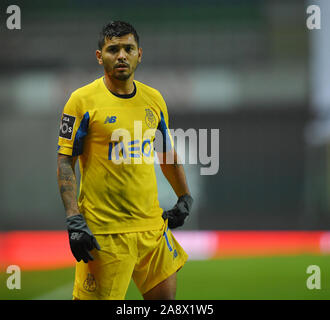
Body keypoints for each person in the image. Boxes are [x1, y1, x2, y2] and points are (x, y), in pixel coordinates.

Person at [56, 20, 193, 300]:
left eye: (128, 48)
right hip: (105, 234)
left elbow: (166, 152)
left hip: (152, 229)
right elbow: (64, 162)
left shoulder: (153, 99)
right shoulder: (80, 102)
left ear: (139, 54)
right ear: (99, 56)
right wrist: (74, 220)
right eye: (113, 49)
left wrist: (184, 196)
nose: (121, 55)